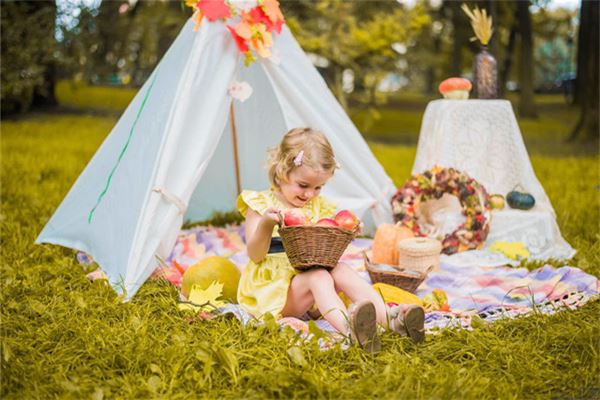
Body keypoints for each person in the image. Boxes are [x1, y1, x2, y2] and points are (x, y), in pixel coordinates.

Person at [236, 127, 424, 351]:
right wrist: (267, 224)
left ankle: (391, 321)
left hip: (306, 283)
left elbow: (324, 247)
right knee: (318, 277)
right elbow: (255, 255)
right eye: (303, 185)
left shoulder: (317, 205)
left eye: (318, 187)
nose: (310, 195)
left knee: (341, 269)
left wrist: (345, 231)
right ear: (283, 170)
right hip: (274, 292)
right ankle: (352, 332)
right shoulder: (260, 205)